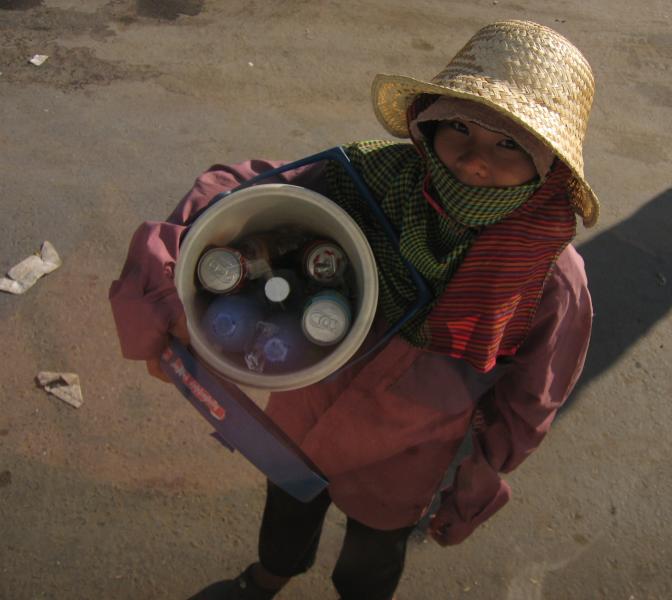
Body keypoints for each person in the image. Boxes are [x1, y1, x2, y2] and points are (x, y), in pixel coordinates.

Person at [109, 19, 598, 600]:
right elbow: (237, 192)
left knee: (373, 552)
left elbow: (533, 394)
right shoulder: (364, 179)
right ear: (428, 122)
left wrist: (478, 476)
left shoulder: (548, 272)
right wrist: (164, 293)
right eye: (459, 126)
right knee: (288, 505)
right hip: (305, 398)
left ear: (550, 165)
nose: (473, 159)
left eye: (510, 143)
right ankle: (267, 578)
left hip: (409, 445)